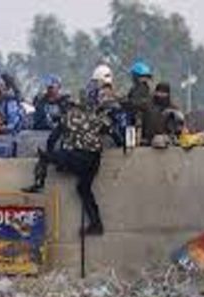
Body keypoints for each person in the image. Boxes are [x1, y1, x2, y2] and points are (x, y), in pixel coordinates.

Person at [23, 96, 108, 235]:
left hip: (78, 156)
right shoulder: (94, 117)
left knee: (45, 155)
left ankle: (38, 183)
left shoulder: (67, 117)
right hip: (94, 159)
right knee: (83, 189)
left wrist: (52, 156)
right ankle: (96, 223)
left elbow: (52, 139)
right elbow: (111, 131)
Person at [144, 82, 185, 148]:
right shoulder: (149, 108)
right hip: (150, 140)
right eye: (159, 92)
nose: (161, 95)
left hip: (169, 140)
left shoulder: (173, 108)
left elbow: (179, 126)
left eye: (164, 93)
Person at [124, 61, 154, 145]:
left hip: (141, 121)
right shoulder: (146, 88)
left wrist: (126, 103)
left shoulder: (141, 89)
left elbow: (137, 103)